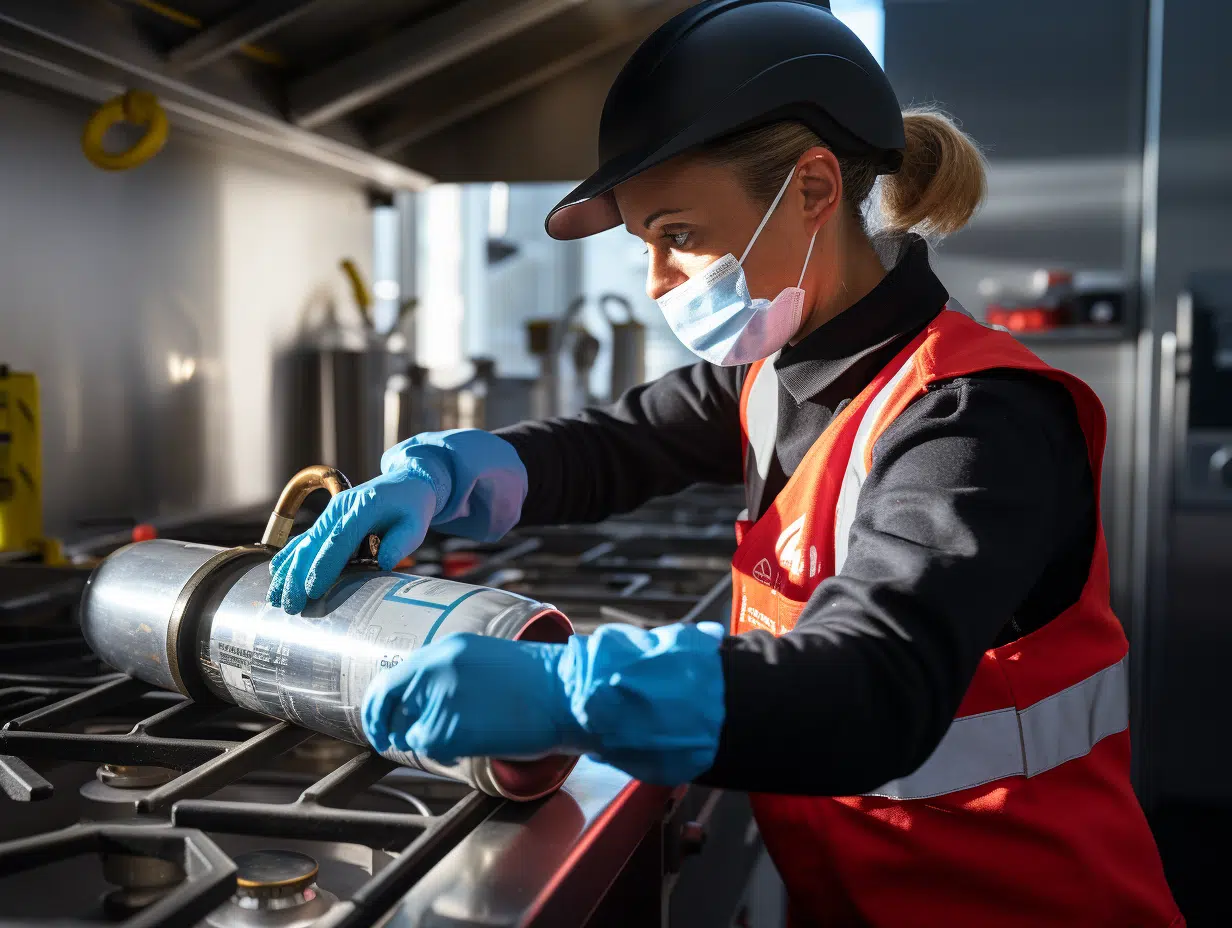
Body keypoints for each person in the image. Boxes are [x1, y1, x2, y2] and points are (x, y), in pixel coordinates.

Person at [269, 1, 1182, 924]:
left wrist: (570, 690)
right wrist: (454, 473)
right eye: (645, 246)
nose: (660, 279)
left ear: (814, 188)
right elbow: (621, 443)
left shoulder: (975, 421)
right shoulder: (775, 375)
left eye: (677, 234)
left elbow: (874, 690)